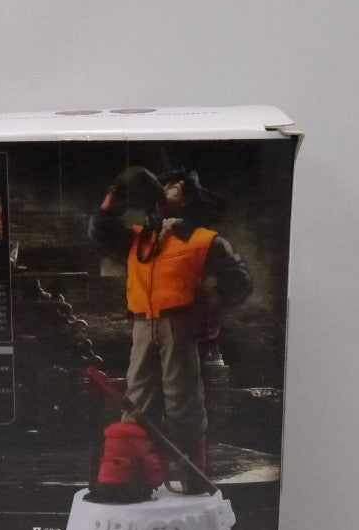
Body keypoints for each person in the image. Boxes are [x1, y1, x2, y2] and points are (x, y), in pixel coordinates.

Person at [88, 166, 252, 493]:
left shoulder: (205, 240)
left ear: (187, 199)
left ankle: (193, 475)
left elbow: (239, 282)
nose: (163, 192)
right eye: (160, 187)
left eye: (172, 188)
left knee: (182, 400)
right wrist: (115, 193)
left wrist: (208, 307)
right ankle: (134, 473)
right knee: (137, 398)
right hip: (141, 325)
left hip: (179, 324)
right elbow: (100, 231)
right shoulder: (139, 239)